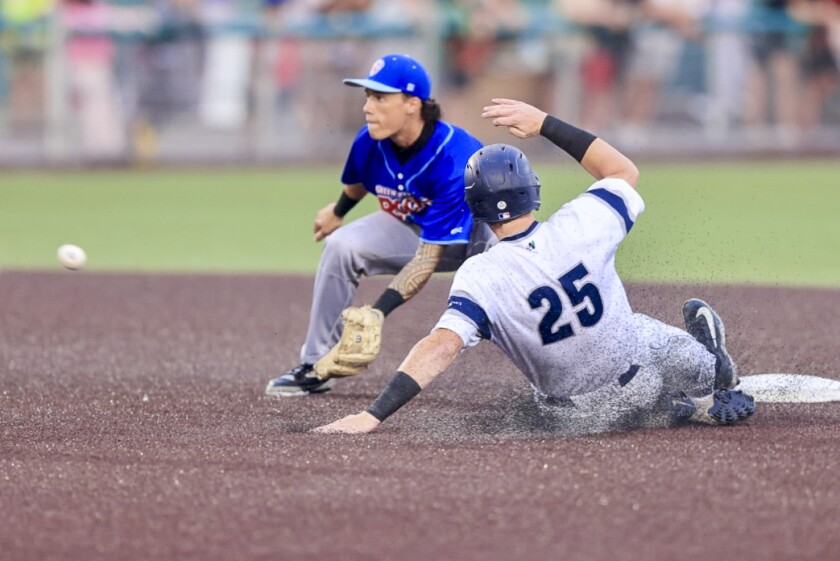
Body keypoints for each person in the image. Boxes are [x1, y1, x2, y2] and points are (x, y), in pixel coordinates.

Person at [314, 98, 756, 435]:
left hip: (574, 416)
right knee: (673, 351)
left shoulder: (480, 275)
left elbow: (442, 346)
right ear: (532, 190)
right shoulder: (582, 222)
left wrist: (371, 415)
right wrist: (544, 123)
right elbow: (622, 170)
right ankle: (707, 373)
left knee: (600, 386)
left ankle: (669, 404)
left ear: (475, 207)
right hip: (635, 366)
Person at [265, 54, 495, 397]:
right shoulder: (370, 140)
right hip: (417, 229)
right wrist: (338, 212)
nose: (368, 107)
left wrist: (377, 312)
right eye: (368, 97)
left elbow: (427, 259)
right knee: (341, 246)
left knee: (513, 289)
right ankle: (315, 366)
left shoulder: (453, 158)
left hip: (481, 240)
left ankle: (553, 375)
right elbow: (359, 180)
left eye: (380, 98)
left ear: (412, 104)